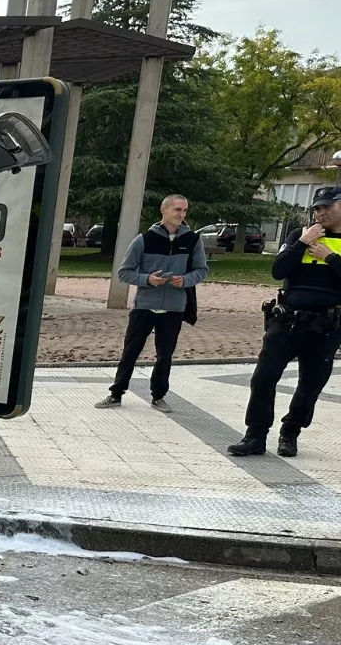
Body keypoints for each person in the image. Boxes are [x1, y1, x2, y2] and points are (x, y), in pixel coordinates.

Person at [228, 186, 341, 457]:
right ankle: (255, 435)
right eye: (317, 208)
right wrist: (302, 243)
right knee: (263, 378)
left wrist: (330, 257)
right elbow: (278, 271)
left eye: (327, 207)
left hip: (326, 327)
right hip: (286, 321)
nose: (320, 212)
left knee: (310, 385)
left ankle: (290, 432)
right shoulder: (298, 236)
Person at [95, 195, 208, 413]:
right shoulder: (144, 239)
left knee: (164, 355)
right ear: (163, 210)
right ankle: (116, 394)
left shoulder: (193, 240)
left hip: (175, 308)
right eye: (177, 209)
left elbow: (201, 270)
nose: (181, 214)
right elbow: (124, 272)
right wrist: (148, 280)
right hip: (144, 306)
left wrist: (185, 280)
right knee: (130, 351)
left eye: (184, 210)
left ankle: (158, 396)